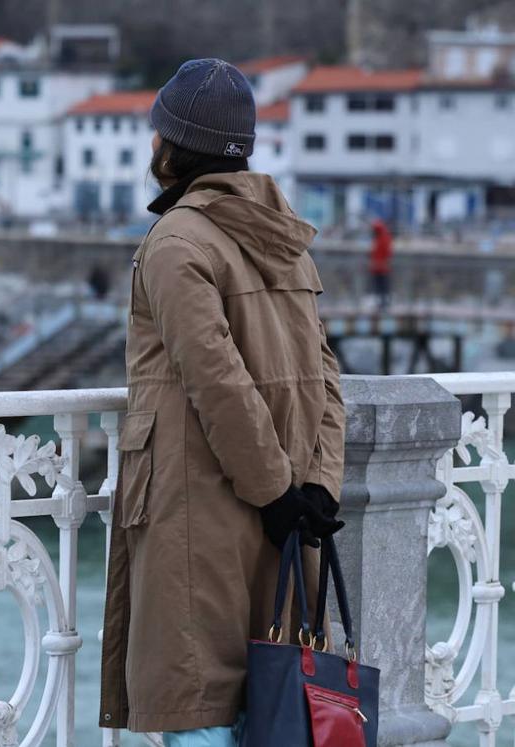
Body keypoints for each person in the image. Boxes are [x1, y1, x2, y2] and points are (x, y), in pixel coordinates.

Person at [98, 58, 346, 746]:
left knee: (200, 709)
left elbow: (216, 380)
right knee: (267, 710)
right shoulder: (288, 242)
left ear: (169, 145)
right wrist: (316, 489)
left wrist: (273, 494)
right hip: (286, 519)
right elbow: (327, 377)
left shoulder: (176, 241)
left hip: (200, 514)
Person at [370, 218, 393, 309]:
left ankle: (384, 303)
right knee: (380, 286)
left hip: (382, 267)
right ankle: (382, 302)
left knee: (383, 286)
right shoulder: (381, 238)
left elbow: (386, 253)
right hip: (378, 267)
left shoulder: (383, 238)